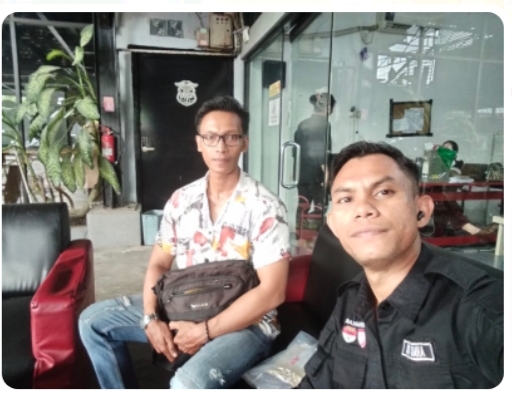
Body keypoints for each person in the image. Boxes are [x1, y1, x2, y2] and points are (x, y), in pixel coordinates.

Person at [79, 96, 291, 389]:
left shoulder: (265, 206)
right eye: (211, 137)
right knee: (93, 321)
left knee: (186, 385)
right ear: (198, 143)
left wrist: (205, 331)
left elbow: (273, 292)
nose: (220, 147)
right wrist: (151, 318)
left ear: (245, 143)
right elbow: (158, 263)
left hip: (246, 322)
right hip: (186, 304)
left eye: (231, 137)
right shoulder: (181, 201)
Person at [298, 141, 503, 389]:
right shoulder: (352, 300)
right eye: (346, 198)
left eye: (383, 192)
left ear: (422, 211)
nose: (363, 209)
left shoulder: (480, 311)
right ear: (333, 225)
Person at [425, 140, 497, 236]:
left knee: (444, 203)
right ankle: (469, 227)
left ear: (455, 153)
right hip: (431, 191)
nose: (445, 149)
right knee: (445, 202)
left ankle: (440, 235)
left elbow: (454, 173)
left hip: (445, 193)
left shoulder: (458, 162)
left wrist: (445, 166)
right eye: (444, 147)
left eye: (448, 148)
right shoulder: (435, 160)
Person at [294, 88, 336, 249]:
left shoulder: (302, 124)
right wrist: (327, 174)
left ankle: (301, 238)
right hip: (317, 174)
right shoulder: (324, 124)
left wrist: (295, 172)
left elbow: (296, 151)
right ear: (328, 107)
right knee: (319, 206)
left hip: (302, 173)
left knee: (303, 205)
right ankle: (313, 238)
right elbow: (321, 152)